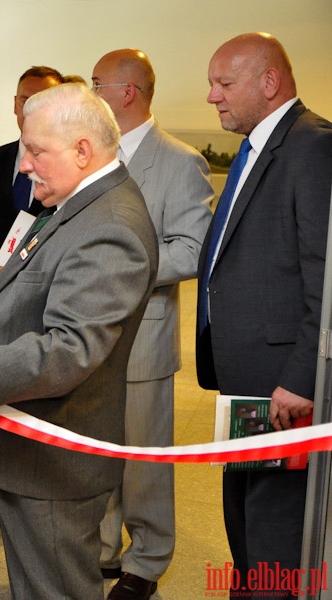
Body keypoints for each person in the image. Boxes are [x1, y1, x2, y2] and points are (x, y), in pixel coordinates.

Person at [0, 83, 158, 600]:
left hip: (54, 463)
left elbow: (67, 350)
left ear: (83, 151)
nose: (24, 166)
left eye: (36, 152)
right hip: (33, 452)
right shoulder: (80, 204)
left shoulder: (109, 226)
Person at [196, 33, 332, 599]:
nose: (212, 98)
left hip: (283, 387)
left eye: (224, 84)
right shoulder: (261, 145)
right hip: (248, 380)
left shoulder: (312, 146)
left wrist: (301, 377)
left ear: (269, 82)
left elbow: (327, 275)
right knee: (246, 511)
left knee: (276, 526)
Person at [91, 49, 213, 600]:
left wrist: (120, 267)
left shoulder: (180, 160)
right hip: (89, 336)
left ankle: (148, 557)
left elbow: (191, 251)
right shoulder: (94, 156)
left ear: (127, 93)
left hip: (144, 338)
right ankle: (102, 548)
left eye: (97, 84)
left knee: (143, 461)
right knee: (97, 448)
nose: (90, 93)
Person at [0, 64, 63, 540]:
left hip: (50, 307)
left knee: (43, 403)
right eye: (22, 98)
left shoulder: (68, 167)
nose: (27, 107)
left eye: (39, 98)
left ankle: (39, 503)